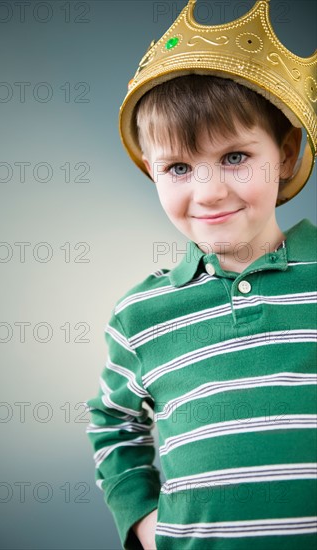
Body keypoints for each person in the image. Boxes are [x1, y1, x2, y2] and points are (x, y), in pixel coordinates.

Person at [86, 1, 317, 548]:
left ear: (284, 154)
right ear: (152, 171)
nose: (209, 191)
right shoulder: (140, 317)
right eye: (180, 168)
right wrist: (142, 521)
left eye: (236, 157)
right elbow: (112, 421)